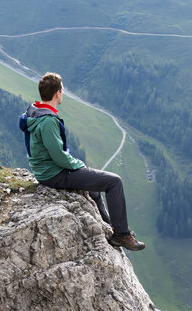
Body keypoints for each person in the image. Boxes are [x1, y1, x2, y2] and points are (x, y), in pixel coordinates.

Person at [19, 72, 145, 251]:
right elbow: (59, 156)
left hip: (45, 170)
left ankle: (110, 227)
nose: (63, 92)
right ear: (57, 94)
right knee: (114, 182)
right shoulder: (47, 121)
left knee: (94, 190)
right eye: (62, 89)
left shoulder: (34, 111)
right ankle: (122, 235)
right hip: (54, 173)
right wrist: (79, 166)